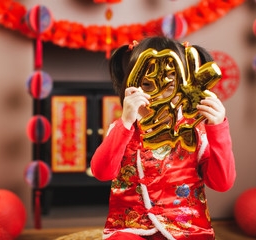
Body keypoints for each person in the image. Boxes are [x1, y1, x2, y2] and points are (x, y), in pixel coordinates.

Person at [91, 36, 236, 240]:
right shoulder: (122, 128)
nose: (159, 96)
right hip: (130, 228)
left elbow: (222, 183)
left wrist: (218, 127)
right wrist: (124, 123)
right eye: (148, 86)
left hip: (187, 227)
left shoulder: (196, 130)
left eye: (170, 87)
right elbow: (101, 172)